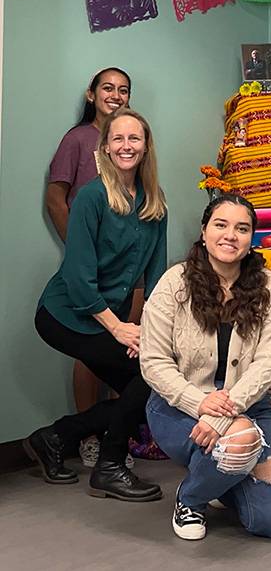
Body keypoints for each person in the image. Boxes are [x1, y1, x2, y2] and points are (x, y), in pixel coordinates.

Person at [140, 194, 271, 541]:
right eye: (221, 225)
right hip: (178, 407)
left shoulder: (270, 288)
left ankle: (224, 474)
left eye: (242, 228)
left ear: (250, 240)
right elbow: (153, 361)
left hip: (248, 405)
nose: (231, 235)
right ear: (204, 232)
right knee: (241, 439)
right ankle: (191, 498)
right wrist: (199, 404)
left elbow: (267, 363)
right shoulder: (174, 284)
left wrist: (222, 414)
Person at [25, 108, 168, 501]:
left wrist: (153, 334)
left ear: (145, 147)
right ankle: (108, 467)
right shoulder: (91, 197)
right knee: (147, 380)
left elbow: (155, 281)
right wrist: (119, 328)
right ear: (105, 148)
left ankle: (55, 438)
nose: (126, 145)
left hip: (109, 318)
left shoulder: (155, 204)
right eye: (117, 138)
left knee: (150, 387)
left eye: (134, 138)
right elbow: (78, 278)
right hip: (65, 314)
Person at [46, 68, 138, 466]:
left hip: (123, 271)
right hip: (88, 274)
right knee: (88, 352)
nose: (115, 95)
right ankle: (87, 437)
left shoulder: (130, 146)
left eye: (123, 90)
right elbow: (55, 199)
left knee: (124, 353)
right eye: (107, 88)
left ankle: (116, 439)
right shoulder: (77, 140)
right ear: (91, 94)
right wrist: (80, 252)